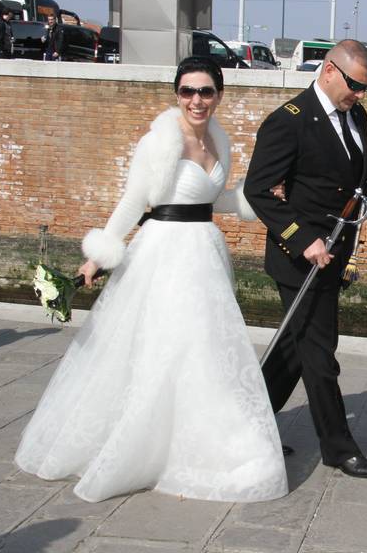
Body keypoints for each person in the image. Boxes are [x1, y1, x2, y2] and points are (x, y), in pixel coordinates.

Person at [15, 55, 288, 504]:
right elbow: (134, 200)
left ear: (219, 94)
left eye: (205, 91)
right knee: (166, 345)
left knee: (204, 347)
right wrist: (98, 255)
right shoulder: (160, 140)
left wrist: (256, 200)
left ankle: (202, 438)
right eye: (187, 91)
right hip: (164, 252)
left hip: (204, 251)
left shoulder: (220, 140)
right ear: (177, 94)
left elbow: (209, 199)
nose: (196, 100)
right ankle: (144, 443)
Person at [243, 39, 367, 479]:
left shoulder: (357, 115)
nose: (361, 94)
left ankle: (245, 425)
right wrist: (303, 238)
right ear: (329, 70)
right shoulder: (288, 122)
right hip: (301, 258)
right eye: (355, 85)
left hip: (336, 252)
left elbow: (358, 174)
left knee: (294, 350)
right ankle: (338, 447)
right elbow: (257, 190)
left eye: (366, 87)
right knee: (319, 352)